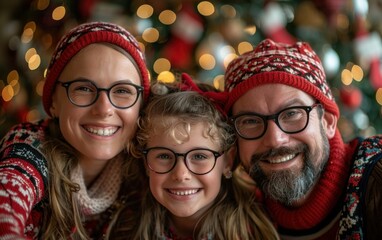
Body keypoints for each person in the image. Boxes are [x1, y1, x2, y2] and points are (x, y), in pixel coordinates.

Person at [0, 21, 150, 239]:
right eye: (83, 88)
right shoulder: (30, 148)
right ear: (53, 103)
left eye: (122, 91)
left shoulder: (148, 169)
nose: (104, 109)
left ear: (140, 106)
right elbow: (8, 192)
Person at [224, 38, 382, 239]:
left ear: (328, 121)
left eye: (292, 113)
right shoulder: (240, 220)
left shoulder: (376, 179)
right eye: (250, 121)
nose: (274, 140)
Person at [109, 73, 280, 239]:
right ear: (146, 163)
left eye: (199, 156)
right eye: (164, 156)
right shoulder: (124, 226)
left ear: (228, 160)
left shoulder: (257, 228)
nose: (181, 175)